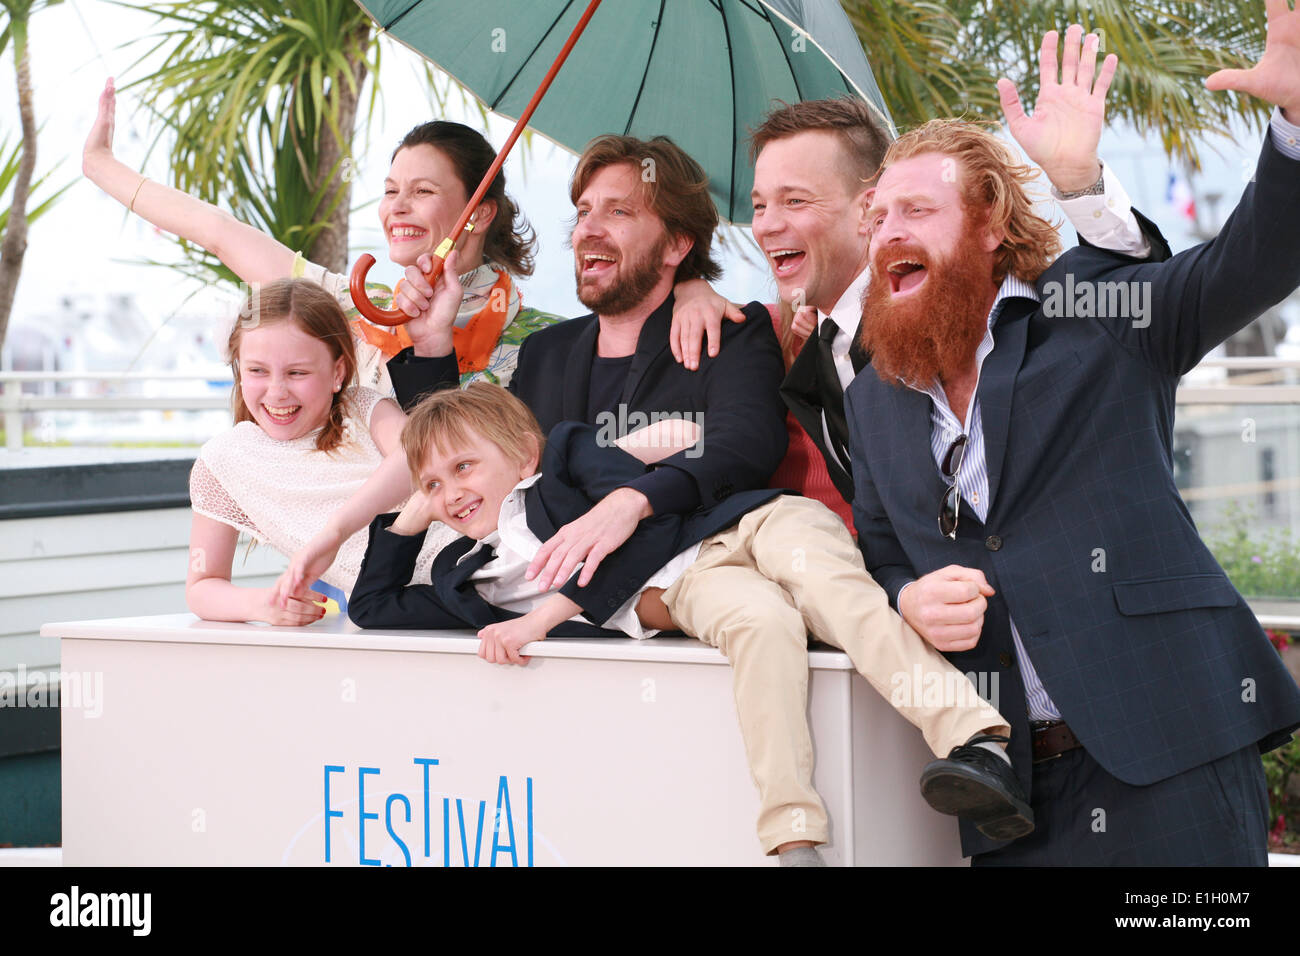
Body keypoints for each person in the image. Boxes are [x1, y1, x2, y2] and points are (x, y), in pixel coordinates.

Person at [844, 0, 1300, 865]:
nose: (887, 233)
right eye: (877, 218)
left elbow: (1255, 260)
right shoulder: (873, 397)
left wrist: (1296, 123)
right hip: (1003, 797)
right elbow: (878, 551)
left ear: (988, 228)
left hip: (1166, 763)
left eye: (916, 211)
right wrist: (904, 596)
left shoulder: (1093, 315)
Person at [348, 382, 1036, 848]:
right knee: (762, 628)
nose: (451, 491)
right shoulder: (465, 575)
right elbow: (374, 608)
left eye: (465, 467)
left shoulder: (564, 456)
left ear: (521, 453)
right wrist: (415, 506)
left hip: (751, 525)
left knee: (831, 591)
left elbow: (642, 531)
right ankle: (793, 835)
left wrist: (540, 619)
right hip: (688, 593)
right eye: (435, 483)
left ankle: (976, 739)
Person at [81, 78, 726, 396]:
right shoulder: (348, 312)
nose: (397, 207)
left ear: (477, 212)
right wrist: (102, 168)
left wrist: (690, 285)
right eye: (391, 190)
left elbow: (637, 322)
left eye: (422, 191)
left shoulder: (546, 345)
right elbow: (220, 233)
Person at [186, 279, 456, 626]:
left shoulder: (364, 409)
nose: (277, 391)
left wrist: (335, 531)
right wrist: (261, 604)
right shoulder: (224, 461)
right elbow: (202, 586)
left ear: (337, 372)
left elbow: (416, 456)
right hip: (407, 607)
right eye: (257, 371)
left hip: (471, 556)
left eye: (297, 373)